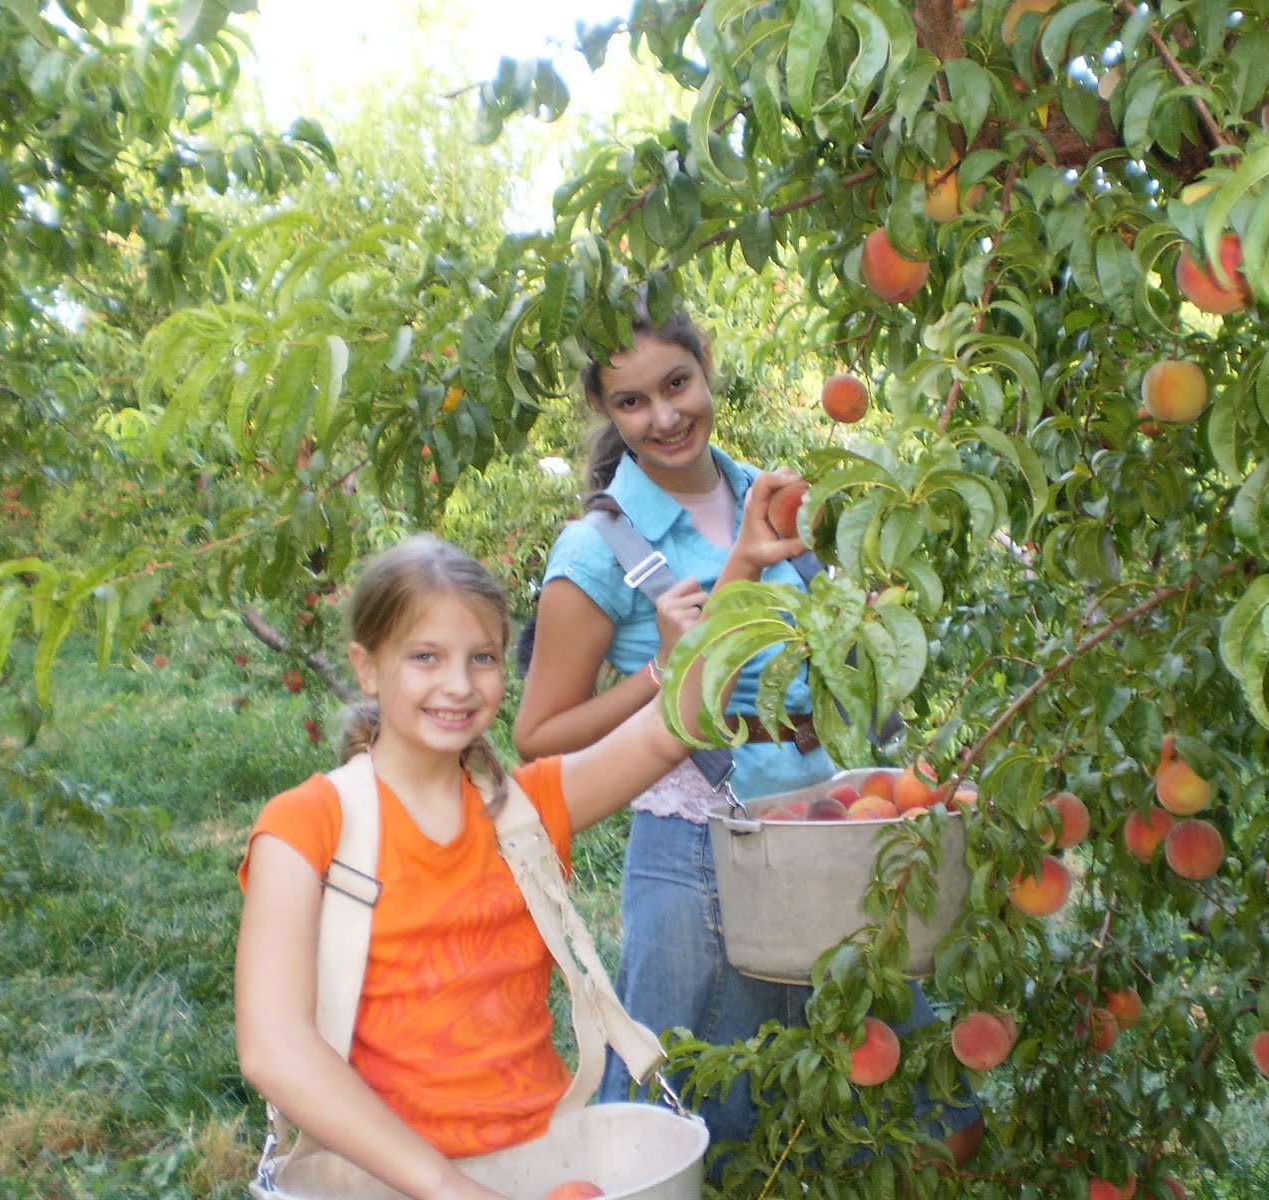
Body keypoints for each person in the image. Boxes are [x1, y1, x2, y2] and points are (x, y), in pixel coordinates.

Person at [513, 300, 985, 1162]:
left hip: (824, 824)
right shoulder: (596, 547)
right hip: (697, 842)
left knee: (930, 1110)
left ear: (706, 367)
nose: (663, 417)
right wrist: (658, 673)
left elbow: (831, 661)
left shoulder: (774, 497)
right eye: (631, 402)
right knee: (679, 1124)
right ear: (607, 412)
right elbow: (539, 738)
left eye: (676, 384)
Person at [233, 532, 724, 1200]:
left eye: (483, 658)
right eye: (425, 656)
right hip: (387, 1177)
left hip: (539, 1167)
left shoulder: (525, 811)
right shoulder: (306, 826)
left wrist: (739, 574)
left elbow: (670, 732)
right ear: (367, 667)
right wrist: (446, 1187)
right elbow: (274, 1046)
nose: (459, 685)